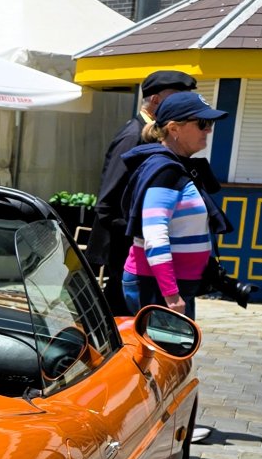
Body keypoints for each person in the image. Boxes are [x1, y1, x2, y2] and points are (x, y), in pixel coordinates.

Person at [88, 70, 198, 314]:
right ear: (156, 100)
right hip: (126, 248)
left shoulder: (154, 133)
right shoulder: (133, 135)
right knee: (124, 317)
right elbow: (107, 203)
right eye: (177, 97)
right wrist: (138, 234)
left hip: (140, 247)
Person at [119, 91, 231, 325]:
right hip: (157, 288)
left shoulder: (177, 166)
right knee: (164, 350)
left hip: (171, 285)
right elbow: (155, 235)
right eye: (202, 123)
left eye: (210, 124)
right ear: (174, 128)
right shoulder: (165, 171)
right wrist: (171, 295)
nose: (208, 130)